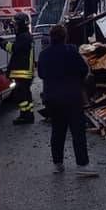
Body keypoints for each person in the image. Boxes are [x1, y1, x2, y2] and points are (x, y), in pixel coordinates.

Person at [37, 24, 97, 176]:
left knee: (57, 131)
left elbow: (41, 74)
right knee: (77, 131)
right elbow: (84, 70)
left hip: (52, 99)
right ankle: (82, 166)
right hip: (72, 97)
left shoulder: (44, 55)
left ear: (51, 37)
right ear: (65, 37)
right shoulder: (71, 51)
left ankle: (58, 164)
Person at [0, 13, 35, 124]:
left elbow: (13, 49)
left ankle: (25, 116)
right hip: (25, 71)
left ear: (20, 25)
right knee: (26, 95)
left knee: (21, 95)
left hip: (22, 72)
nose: (14, 27)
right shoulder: (26, 36)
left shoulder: (23, 37)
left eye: (15, 24)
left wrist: (3, 43)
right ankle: (29, 114)